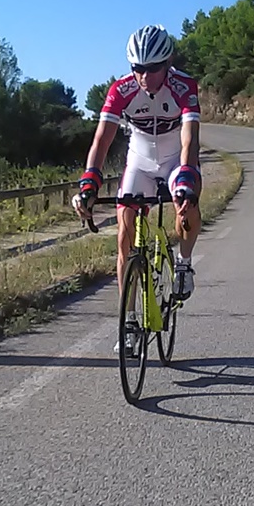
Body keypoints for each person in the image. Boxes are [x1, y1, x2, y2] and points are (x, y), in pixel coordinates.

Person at [72, 25, 202, 345]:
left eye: (153, 68)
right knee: (124, 236)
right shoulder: (121, 89)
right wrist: (89, 182)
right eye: (138, 68)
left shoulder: (184, 86)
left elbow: (190, 139)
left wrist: (186, 177)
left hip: (175, 160)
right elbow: (102, 139)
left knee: (187, 202)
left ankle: (184, 264)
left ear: (167, 62)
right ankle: (129, 321)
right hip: (140, 162)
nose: (145, 76)